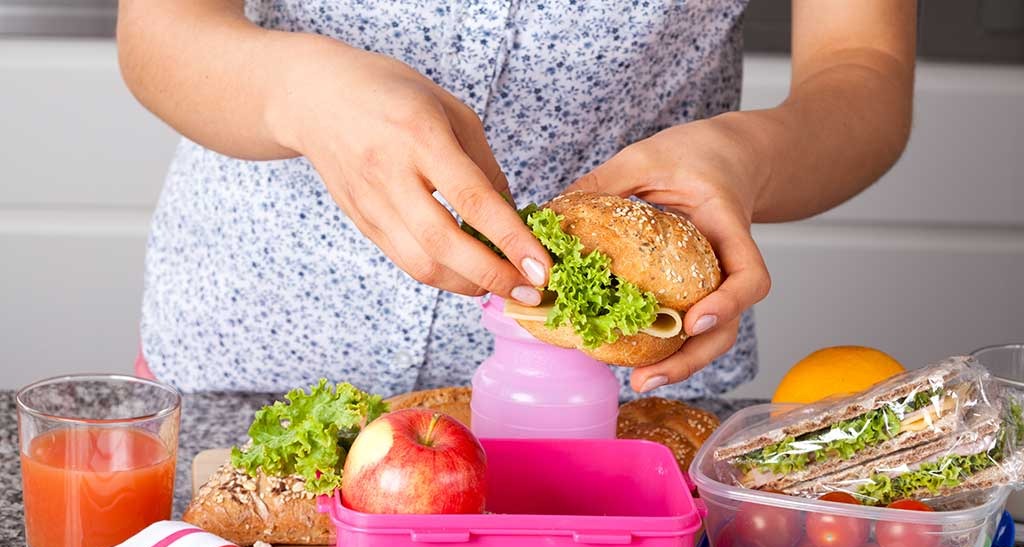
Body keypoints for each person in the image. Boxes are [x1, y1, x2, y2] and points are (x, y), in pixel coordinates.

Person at [118, 0, 916, 399]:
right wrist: (298, 91)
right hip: (257, 351)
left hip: (622, 392)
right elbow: (160, 31)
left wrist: (749, 156)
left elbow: (861, 69)